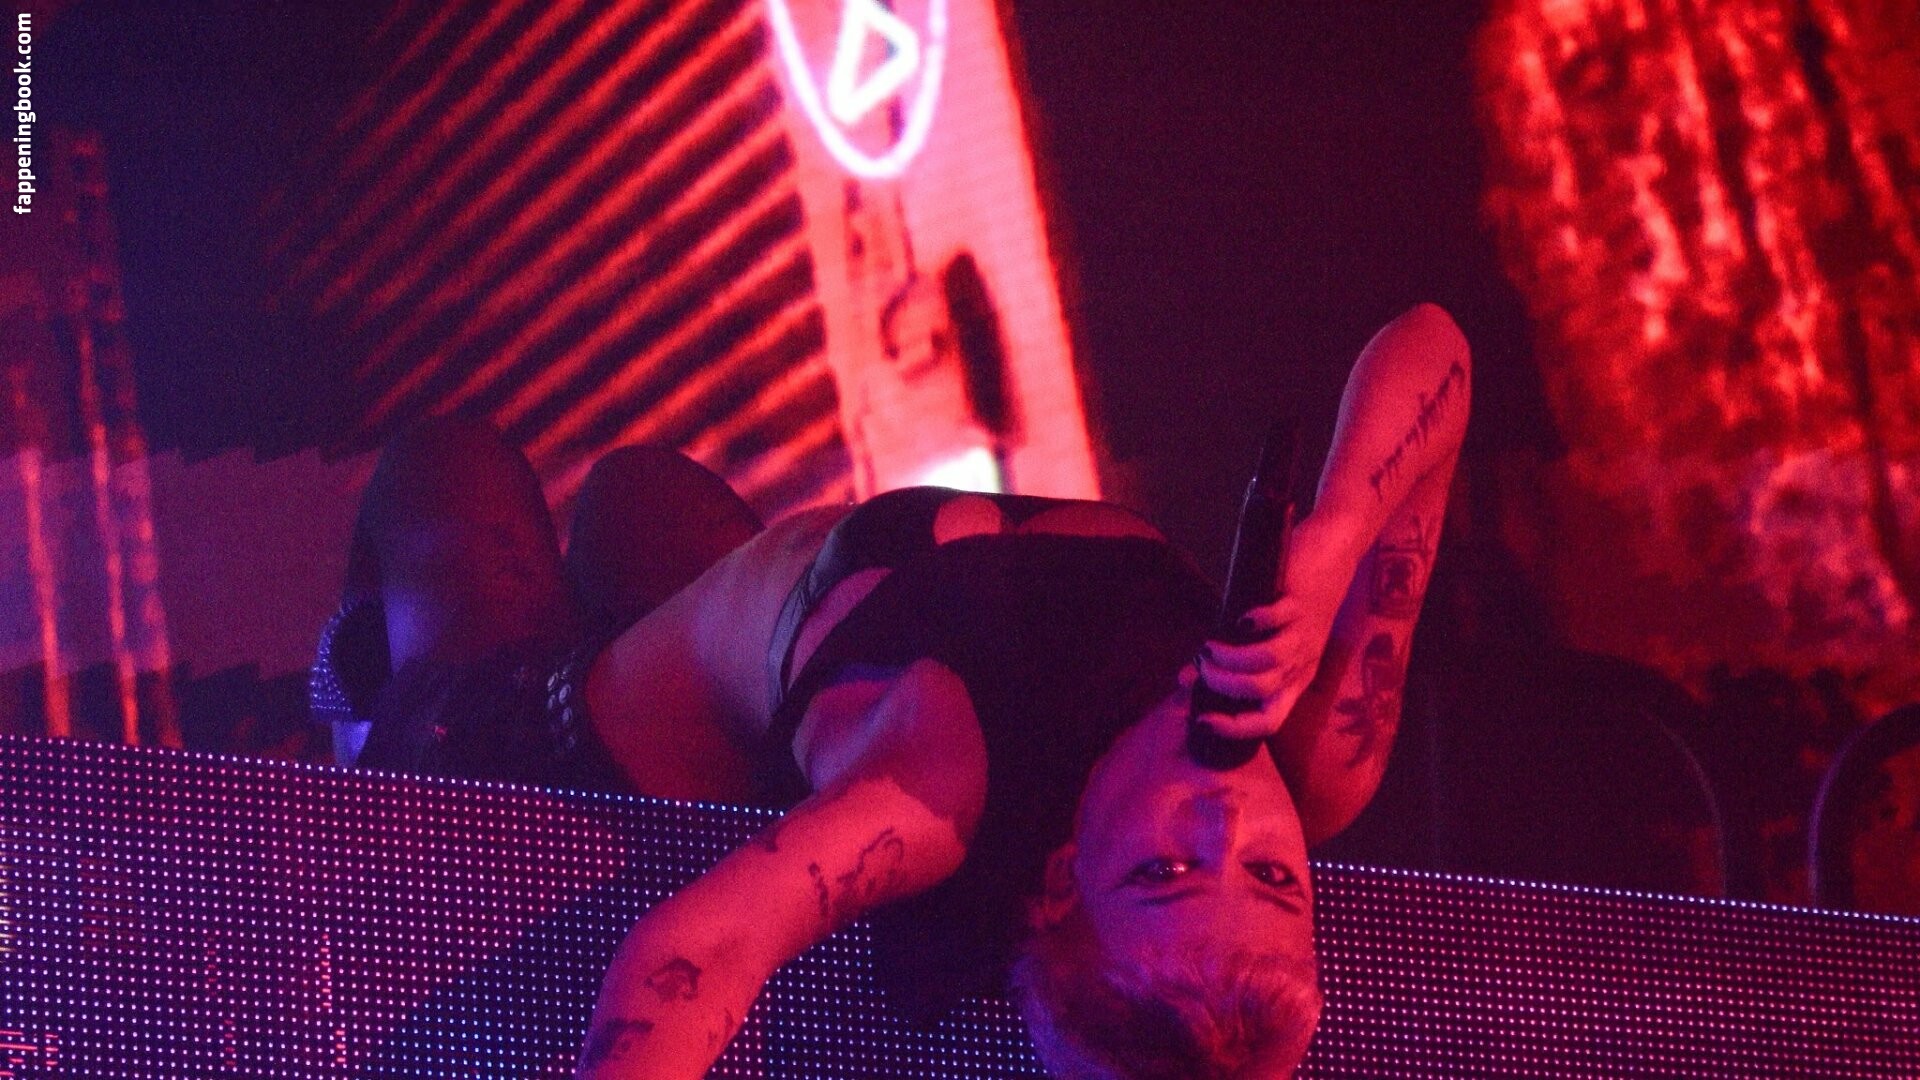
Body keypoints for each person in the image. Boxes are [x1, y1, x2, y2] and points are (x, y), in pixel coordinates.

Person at [320, 303, 1470, 1078]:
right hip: (722, 608)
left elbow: (699, 957)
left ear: (1062, 874)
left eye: (1165, 871)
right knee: (638, 492)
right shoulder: (1317, 741)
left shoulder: (935, 780)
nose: (1227, 820)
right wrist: (1337, 540)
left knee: (447, 464)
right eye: (1274, 875)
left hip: (559, 737)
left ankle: (360, 715)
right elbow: (1437, 351)